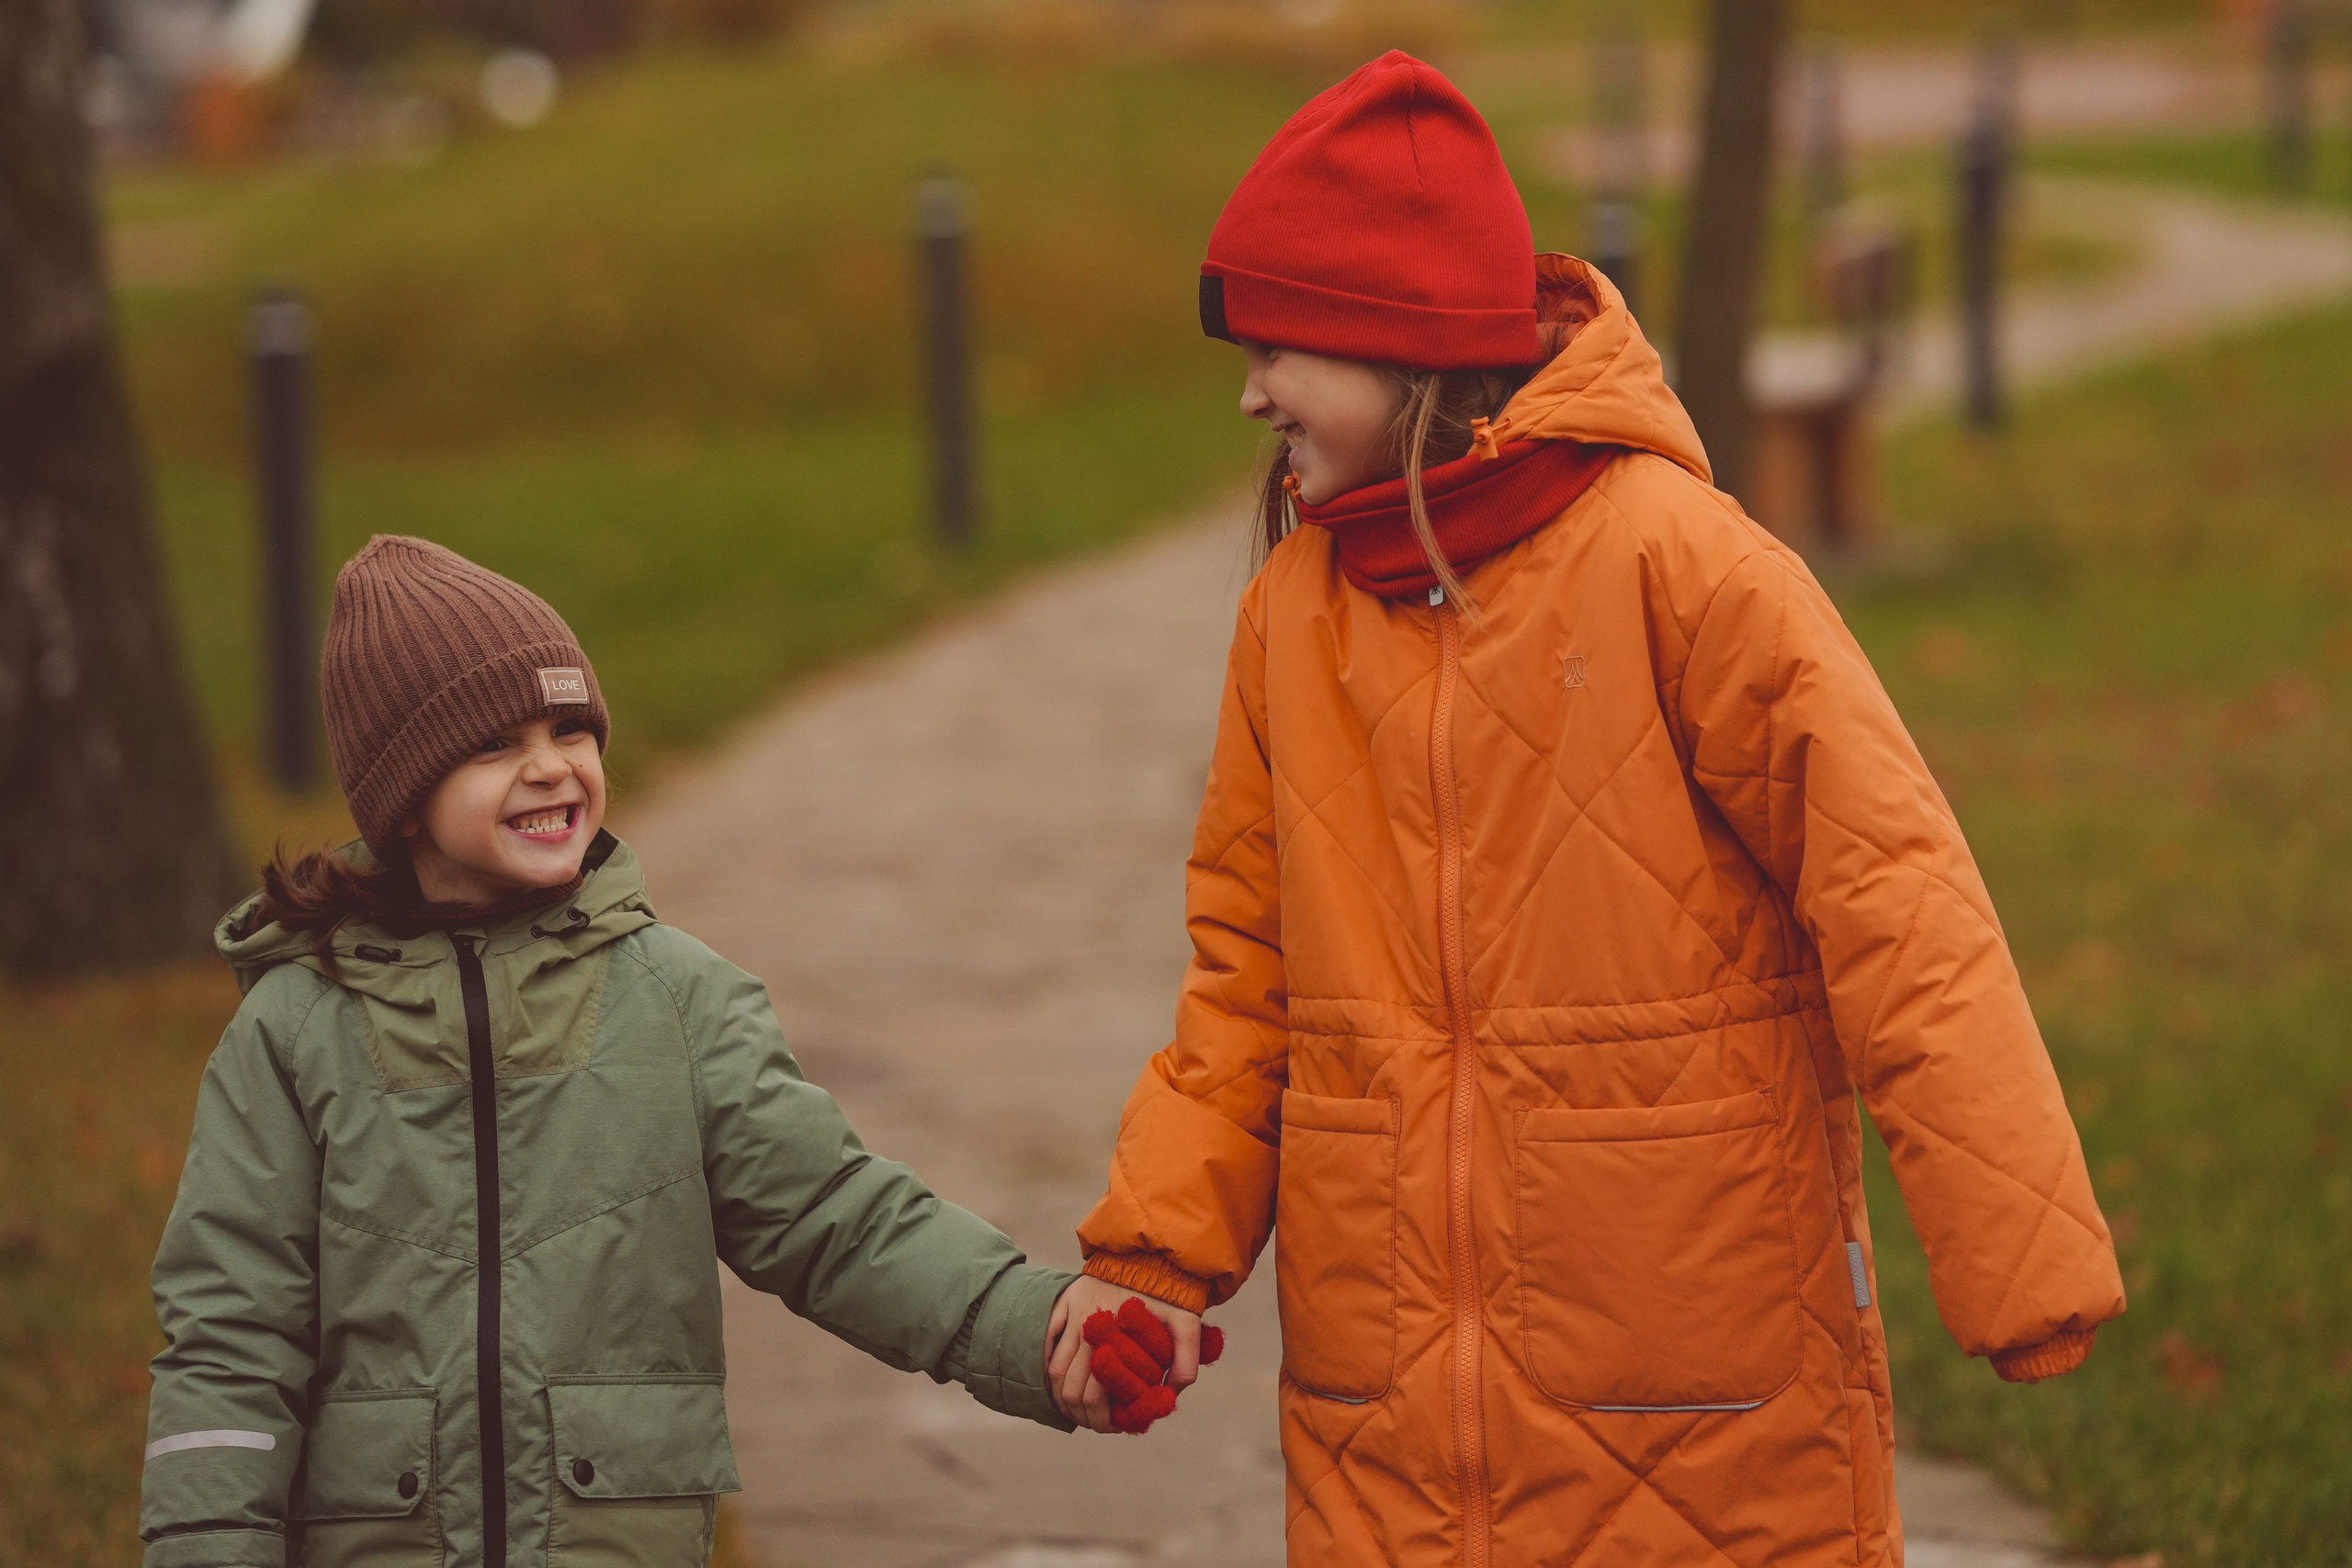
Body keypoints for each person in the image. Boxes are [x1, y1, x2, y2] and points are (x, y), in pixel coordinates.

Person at [1049, 51, 2127, 1564]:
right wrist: (1155, 1255)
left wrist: (2019, 1253)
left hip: (1699, 1395)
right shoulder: (1290, 618)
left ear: (1406, 345)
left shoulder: (1684, 567)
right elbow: (1244, 975)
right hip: (1390, 1425)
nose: (1250, 394)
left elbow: (1897, 896)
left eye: (1280, 349)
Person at [140, 536, 1080, 1568]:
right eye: (496, 744)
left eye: (571, 729)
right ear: (404, 796)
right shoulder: (297, 1028)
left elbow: (834, 1217)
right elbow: (232, 1331)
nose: (552, 765)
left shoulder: (675, 998)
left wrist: (1026, 1327)